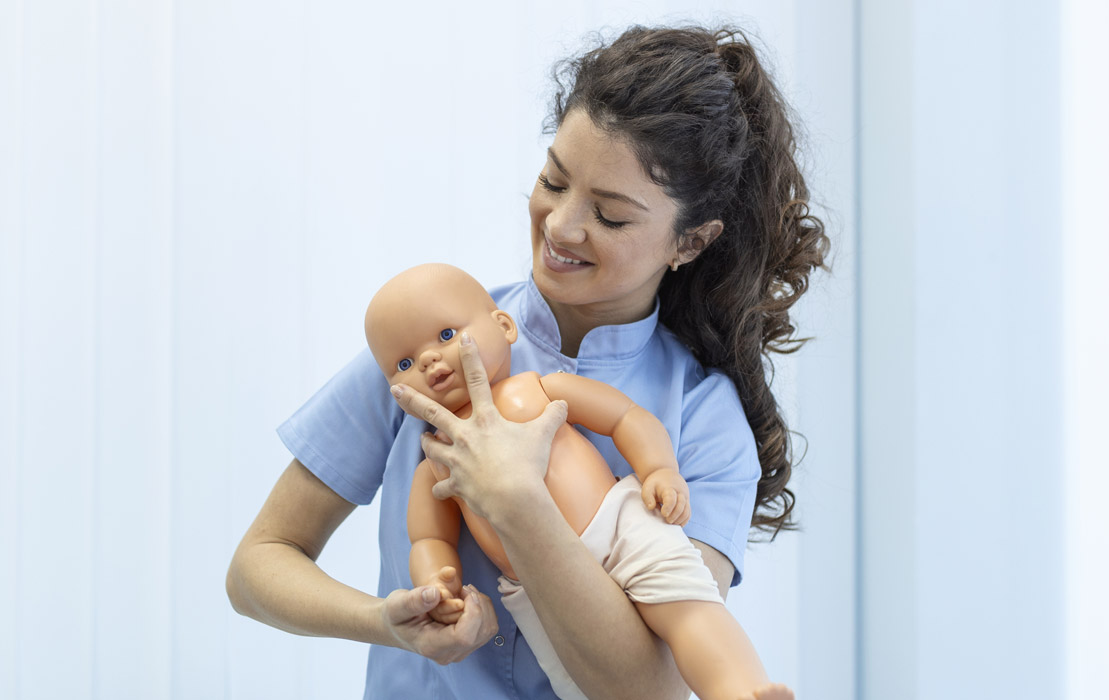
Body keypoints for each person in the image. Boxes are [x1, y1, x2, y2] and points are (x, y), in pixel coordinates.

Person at [226, 24, 828, 700]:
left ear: (689, 241)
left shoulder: (705, 417)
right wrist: (387, 624)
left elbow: (652, 690)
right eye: (553, 180)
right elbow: (257, 567)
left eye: (610, 215)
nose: (561, 226)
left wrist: (516, 501)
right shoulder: (426, 353)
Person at [365, 263, 790, 700]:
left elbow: (624, 417)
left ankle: (742, 692)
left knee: (688, 609)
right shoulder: (436, 462)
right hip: (539, 585)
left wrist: (659, 468)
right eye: (404, 363)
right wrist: (436, 584)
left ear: (504, 326)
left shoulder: (536, 388)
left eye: (447, 335)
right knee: (577, 684)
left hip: (620, 526)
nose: (429, 359)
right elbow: (428, 539)